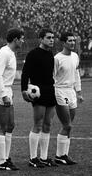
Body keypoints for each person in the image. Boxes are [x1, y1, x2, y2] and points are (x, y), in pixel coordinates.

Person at [21, 28, 58, 168]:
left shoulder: (50, 54)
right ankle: (33, 158)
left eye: (53, 37)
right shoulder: (33, 54)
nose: (51, 40)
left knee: (48, 124)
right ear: (41, 39)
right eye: (48, 37)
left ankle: (44, 157)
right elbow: (25, 73)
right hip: (39, 91)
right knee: (38, 123)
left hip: (50, 90)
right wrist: (24, 90)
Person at [0, 28, 24, 171]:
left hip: (6, 90)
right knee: (2, 126)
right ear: (15, 39)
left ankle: (6, 157)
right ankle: (1, 161)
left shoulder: (11, 53)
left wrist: (8, 92)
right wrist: (3, 94)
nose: (23, 41)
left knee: (11, 125)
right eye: (21, 38)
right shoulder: (4, 53)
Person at [53, 32, 84, 165]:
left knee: (68, 126)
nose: (73, 43)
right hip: (60, 91)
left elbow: (76, 75)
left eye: (74, 41)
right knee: (67, 125)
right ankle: (60, 155)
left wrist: (79, 92)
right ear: (63, 43)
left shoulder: (75, 56)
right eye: (70, 41)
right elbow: (52, 77)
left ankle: (64, 154)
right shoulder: (57, 58)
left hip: (71, 92)